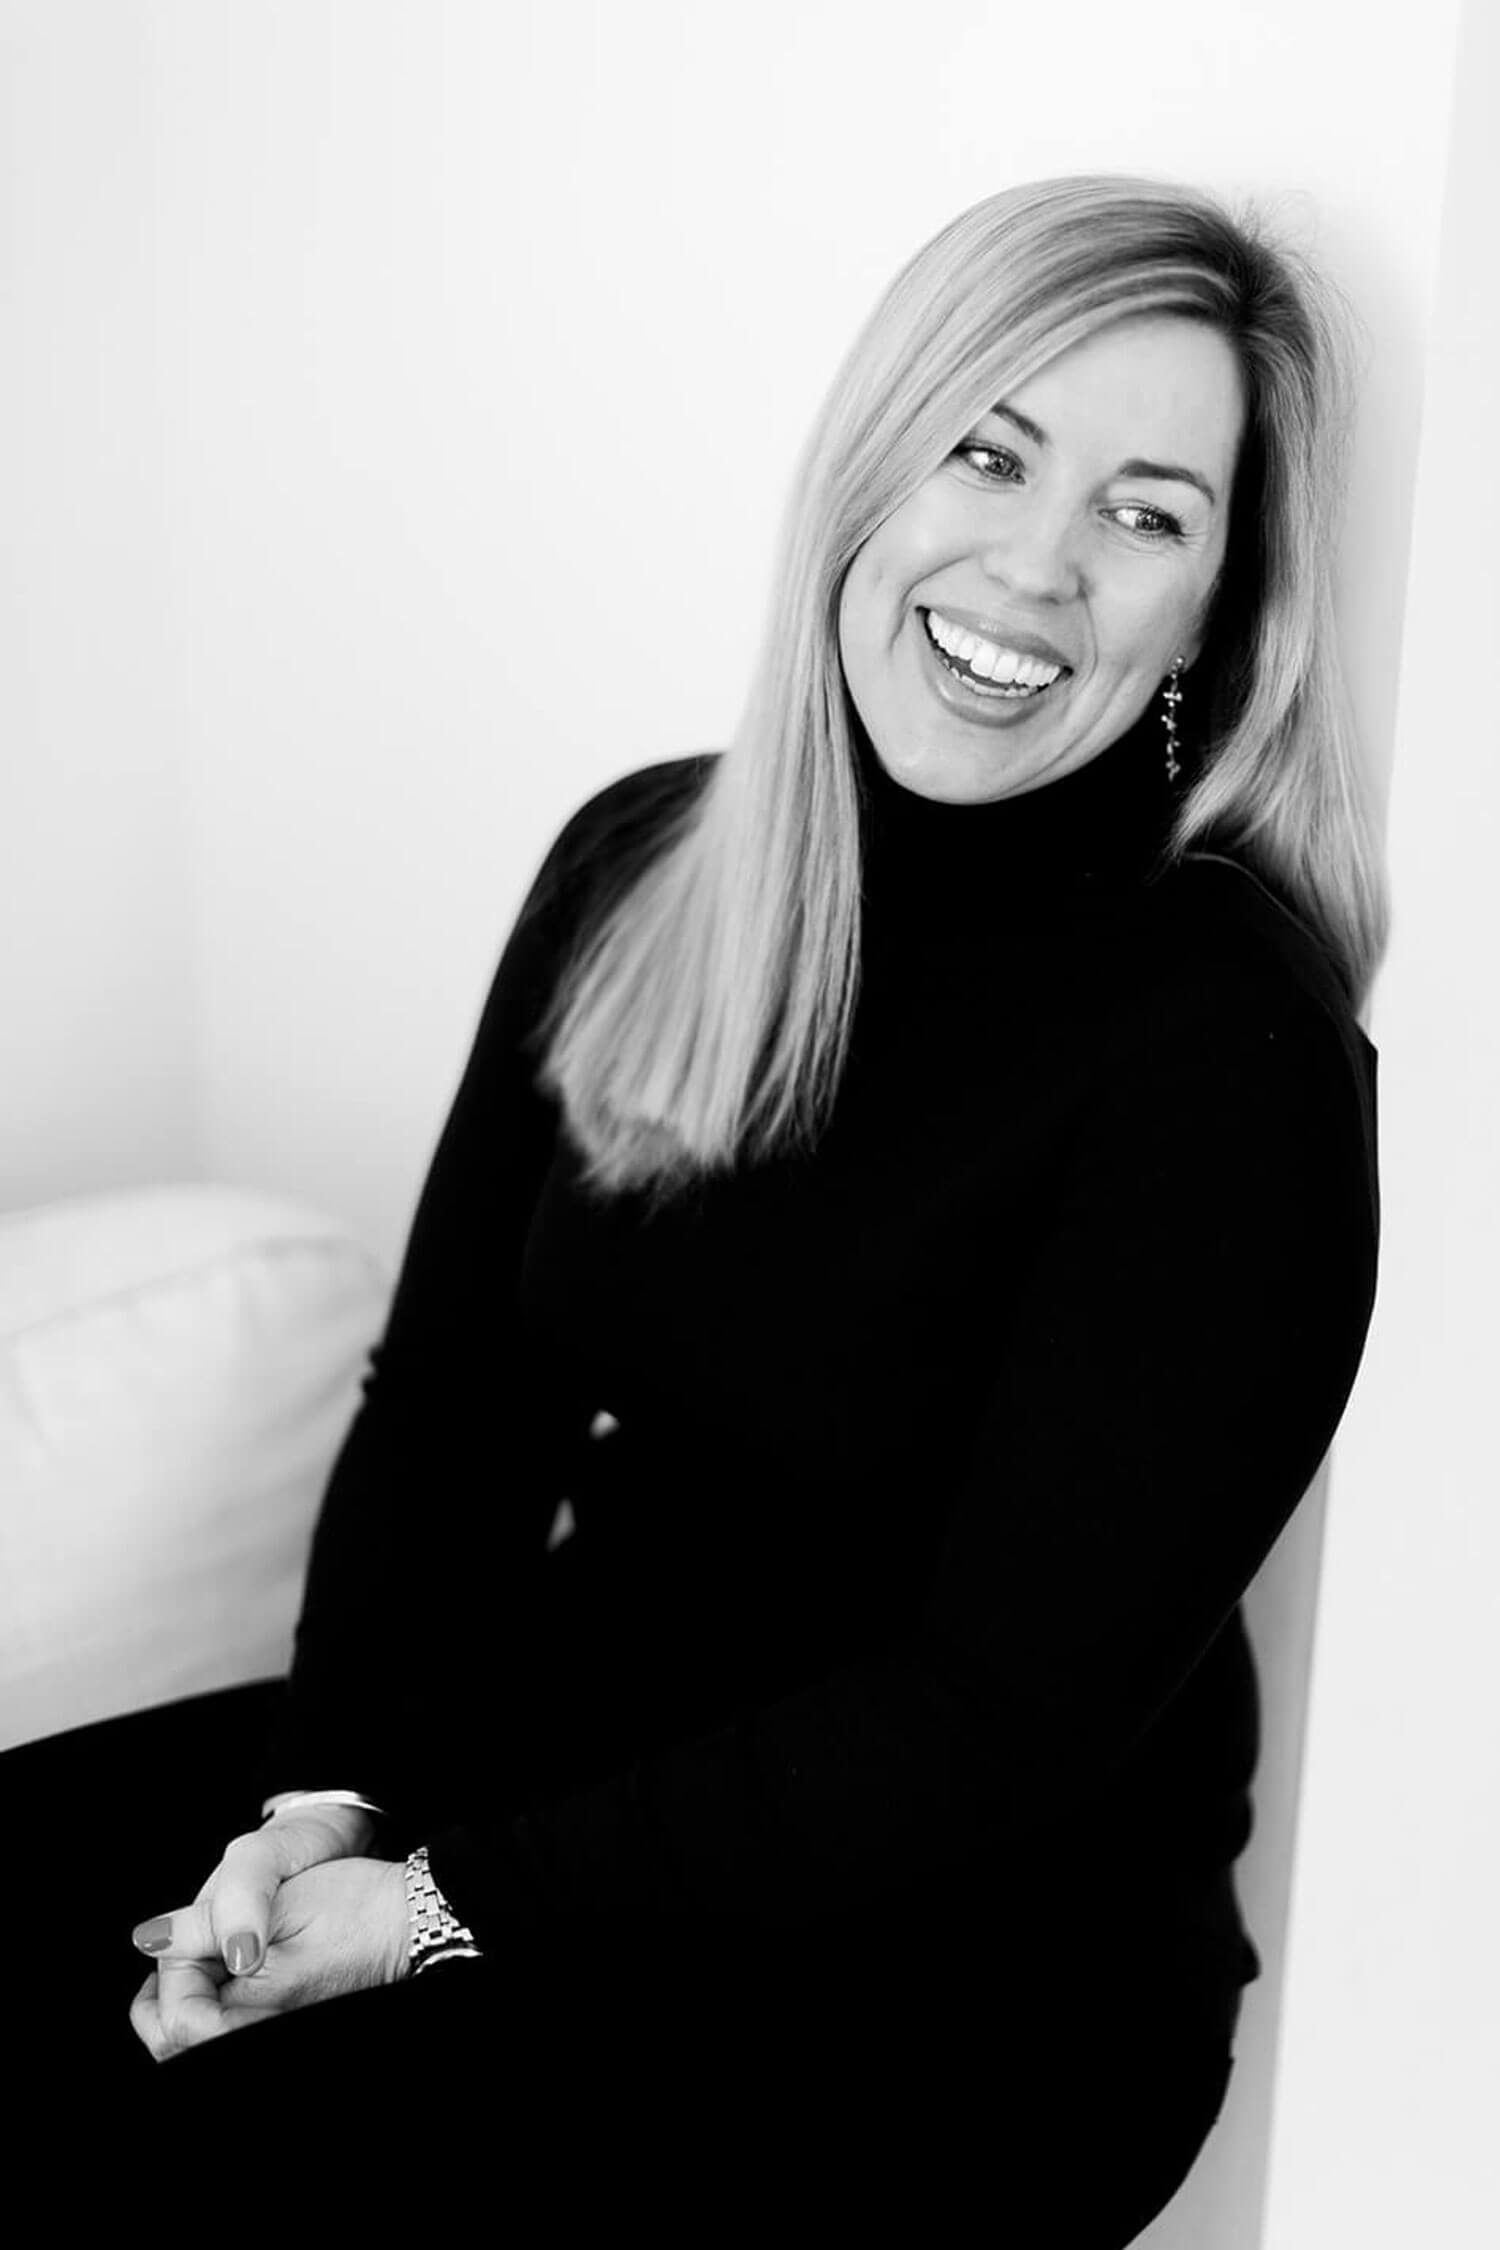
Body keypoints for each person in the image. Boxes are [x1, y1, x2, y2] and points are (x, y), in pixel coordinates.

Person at [9, 172, 1382, 2241]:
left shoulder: (1228, 1040)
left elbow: (992, 1720)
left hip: (980, 1962)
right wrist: (332, 1802)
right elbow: (453, 1409)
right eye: (990, 452)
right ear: (868, 469)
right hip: (564, 1761)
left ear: (1218, 605)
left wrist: (440, 1910)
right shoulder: (643, 864)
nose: (1036, 562)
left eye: (1146, 511)